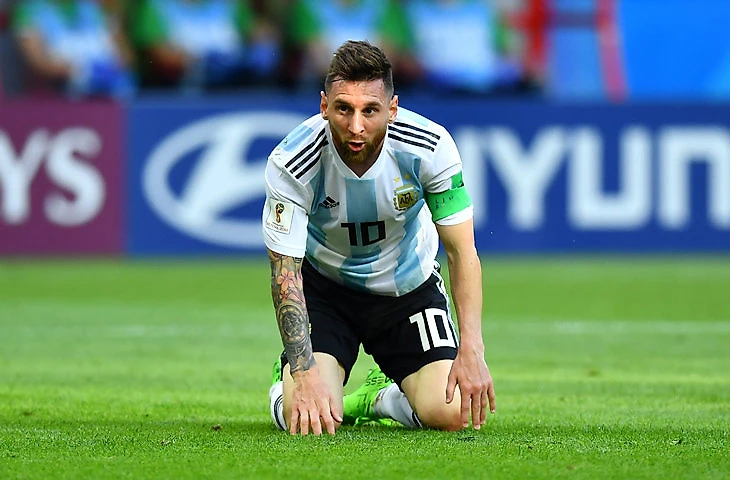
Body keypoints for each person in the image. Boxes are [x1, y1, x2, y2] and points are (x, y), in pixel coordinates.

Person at [263, 40, 496, 435]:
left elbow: (462, 253)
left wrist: (472, 347)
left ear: (392, 108)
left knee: (455, 413)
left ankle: (379, 398)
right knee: (309, 418)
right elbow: (285, 272)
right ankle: (282, 380)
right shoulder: (292, 162)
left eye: (370, 110)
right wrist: (301, 370)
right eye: (344, 109)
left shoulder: (430, 148)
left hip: (408, 289)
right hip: (327, 293)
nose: (356, 127)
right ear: (324, 106)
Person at [128, 0, 281, 91]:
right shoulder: (157, 6)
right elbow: (158, 54)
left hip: (236, 84)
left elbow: (259, 32)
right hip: (185, 88)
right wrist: (198, 61)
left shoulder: (228, 4)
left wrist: (265, 44)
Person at [10, 0, 136, 98]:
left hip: (115, 96)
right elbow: (39, 65)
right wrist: (80, 71)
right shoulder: (28, 12)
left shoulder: (96, 7)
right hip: (60, 99)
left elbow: (125, 57)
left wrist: (111, 70)